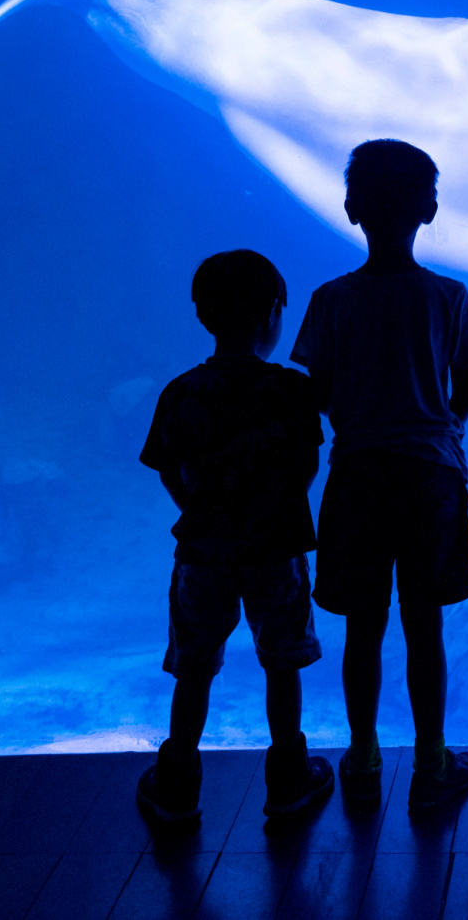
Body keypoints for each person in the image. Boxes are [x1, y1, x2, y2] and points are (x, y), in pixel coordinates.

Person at [292, 139, 468, 815]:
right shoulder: (450, 297)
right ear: (429, 209)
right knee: (423, 621)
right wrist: (432, 421)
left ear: (349, 208)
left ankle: (364, 753)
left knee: (364, 625)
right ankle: (432, 760)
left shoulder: (329, 300)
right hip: (430, 474)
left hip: (358, 474)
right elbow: (465, 392)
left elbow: (316, 392)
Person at [134, 249, 334, 826]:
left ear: (202, 314)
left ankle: (176, 782)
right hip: (275, 549)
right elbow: (304, 466)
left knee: (195, 665)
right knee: (281, 662)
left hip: (203, 553)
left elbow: (168, 468)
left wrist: (202, 507)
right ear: (274, 313)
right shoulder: (291, 392)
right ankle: (288, 778)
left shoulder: (180, 392)